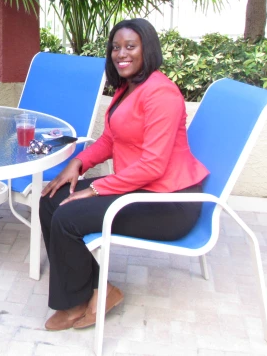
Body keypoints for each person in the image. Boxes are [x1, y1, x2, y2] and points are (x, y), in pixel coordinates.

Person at [39, 18, 209, 331]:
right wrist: (80, 163)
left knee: (68, 215)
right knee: (51, 199)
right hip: (140, 187)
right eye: (116, 47)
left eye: (130, 46)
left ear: (148, 50)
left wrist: (96, 189)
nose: (121, 54)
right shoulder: (127, 88)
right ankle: (96, 290)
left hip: (169, 202)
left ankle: (75, 303)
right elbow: (111, 138)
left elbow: (153, 166)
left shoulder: (162, 94)